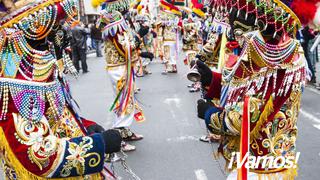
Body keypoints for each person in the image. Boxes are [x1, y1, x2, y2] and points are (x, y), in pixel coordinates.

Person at [0, 0, 122, 179]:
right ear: (33, 27)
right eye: (54, 23)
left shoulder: (39, 62)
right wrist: (98, 144)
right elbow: (37, 156)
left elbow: (58, 114)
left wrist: (86, 127)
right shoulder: (14, 77)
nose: (61, 31)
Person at [93, 0, 149, 151]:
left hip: (119, 66)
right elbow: (124, 46)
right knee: (123, 101)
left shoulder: (111, 16)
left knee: (125, 99)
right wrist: (138, 36)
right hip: (119, 67)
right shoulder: (114, 17)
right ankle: (118, 137)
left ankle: (124, 132)